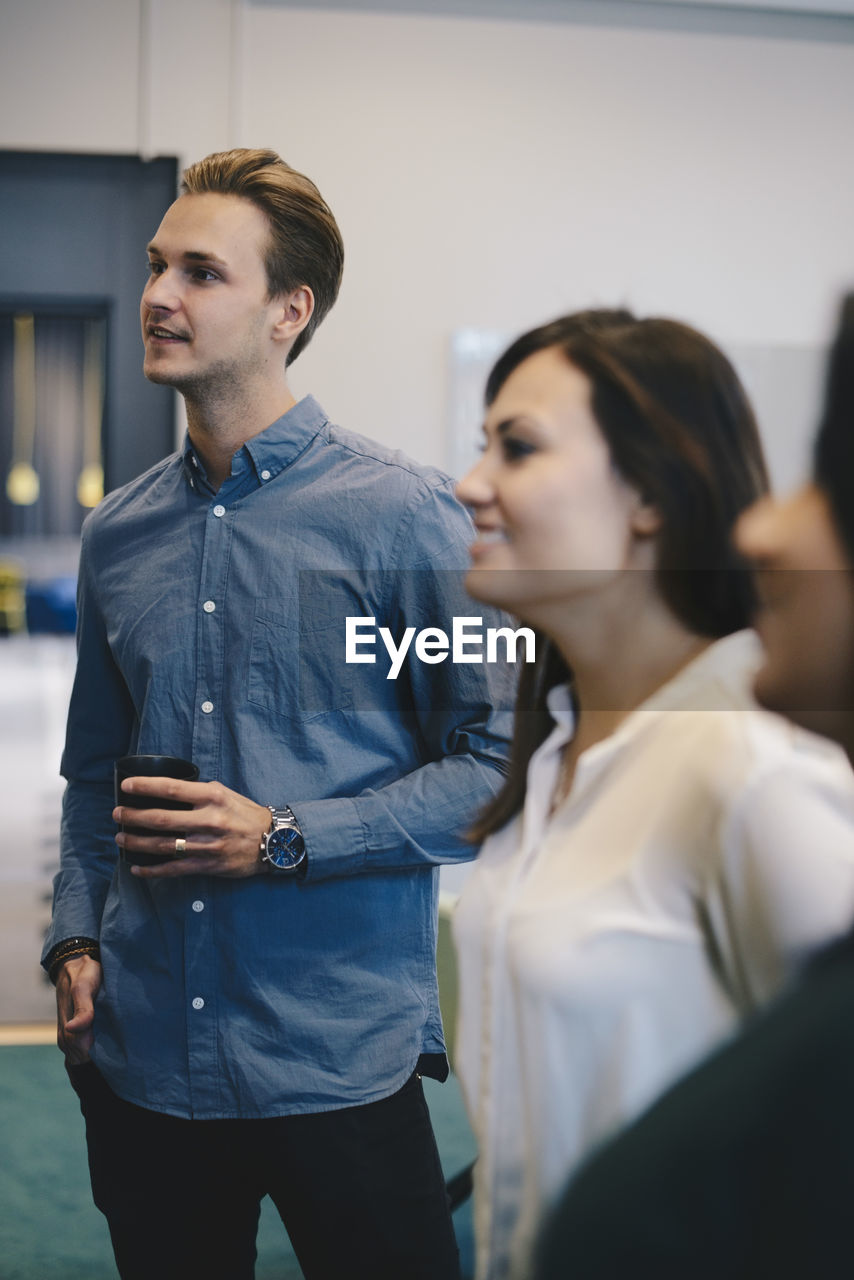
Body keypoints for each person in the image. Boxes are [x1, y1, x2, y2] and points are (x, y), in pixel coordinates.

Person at [41, 147, 512, 1280]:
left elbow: (497, 761)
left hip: (336, 1059)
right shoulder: (120, 532)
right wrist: (74, 937)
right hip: (147, 1055)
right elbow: (91, 772)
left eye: (201, 271)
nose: (158, 294)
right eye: (157, 265)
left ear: (288, 311)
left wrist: (285, 835)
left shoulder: (407, 520)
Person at [451, 308, 854, 1280]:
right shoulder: (552, 754)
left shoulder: (750, 768)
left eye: (517, 447)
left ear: (648, 493)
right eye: (480, 445)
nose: (469, 485)